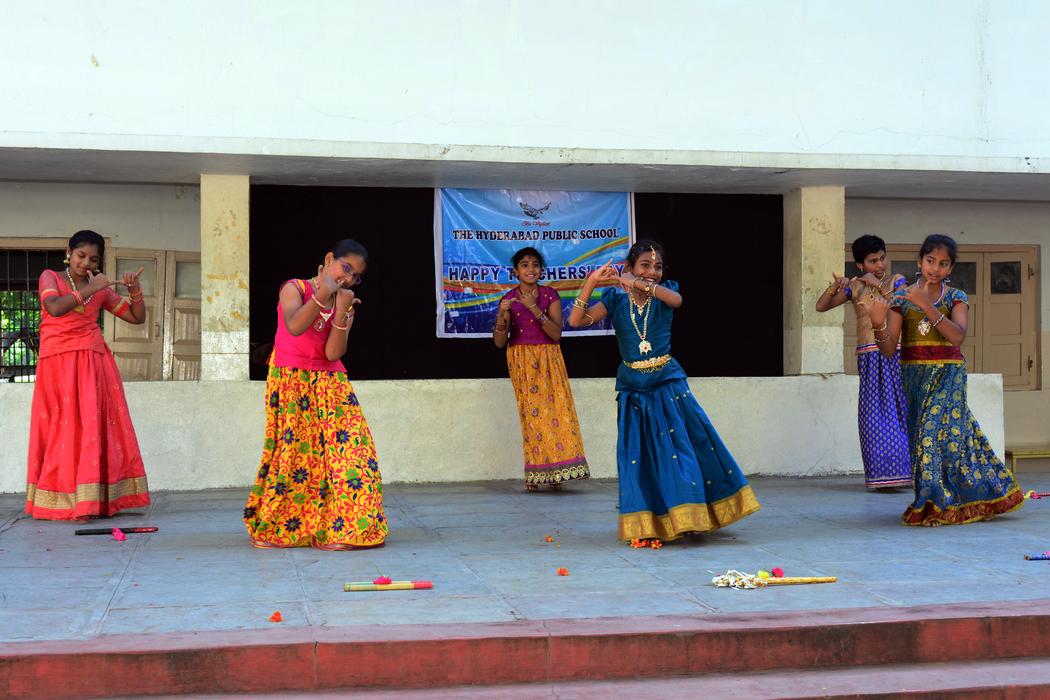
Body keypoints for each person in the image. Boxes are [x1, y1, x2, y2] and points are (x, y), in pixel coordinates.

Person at [567, 239, 760, 542]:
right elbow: (575, 320)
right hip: (633, 389)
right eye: (645, 265)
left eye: (657, 267)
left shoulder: (663, 292)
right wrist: (592, 282)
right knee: (642, 456)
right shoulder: (615, 300)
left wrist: (639, 283)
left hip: (668, 385)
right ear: (629, 267)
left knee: (681, 450)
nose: (653, 272)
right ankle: (652, 521)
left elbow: (677, 300)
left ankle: (692, 517)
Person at [866, 234, 1023, 525]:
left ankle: (936, 504)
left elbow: (957, 336)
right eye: (930, 261)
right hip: (914, 377)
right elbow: (888, 351)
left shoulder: (956, 297)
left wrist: (926, 304)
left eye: (943, 264)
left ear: (950, 268)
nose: (935, 268)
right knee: (936, 440)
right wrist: (877, 324)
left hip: (948, 375)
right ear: (919, 262)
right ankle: (967, 493)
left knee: (933, 436)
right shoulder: (901, 299)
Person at [243, 239, 386, 549]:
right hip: (292, 379)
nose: (348, 278)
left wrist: (342, 312)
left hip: (331, 382)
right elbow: (294, 326)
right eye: (345, 268)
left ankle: (352, 530)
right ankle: (284, 527)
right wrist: (323, 295)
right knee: (296, 457)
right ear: (329, 258)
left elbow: (333, 352)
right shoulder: (294, 288)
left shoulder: (345, 302)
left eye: (355, 276)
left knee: (354, 452)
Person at [26, 230, 150, 520]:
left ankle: (91, 501)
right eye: (81, 256)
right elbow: (54, 308)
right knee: (62, 427)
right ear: (68, 252)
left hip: (93, 363)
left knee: (91, 427)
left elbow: (136, 317)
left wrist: (135, 290)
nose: (85, 263)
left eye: (93, 259)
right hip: (57, 362)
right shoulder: (50, 277)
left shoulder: (100, 289)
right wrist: (92, 288)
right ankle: (62, 499)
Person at [815, 235, 911, 489]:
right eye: (872, 261)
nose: (880, 265)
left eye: (882, 258)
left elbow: (902, 305)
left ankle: (906, 473)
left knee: (901, 412)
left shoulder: (896, 281)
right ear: (860, 265)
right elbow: (821, 306)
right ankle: (882, 477)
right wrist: (836, 286)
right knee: (873, 417)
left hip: (895, 353)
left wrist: (878, 285)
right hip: (869, 356)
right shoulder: (855, 287)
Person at [493, 247, 589, 491]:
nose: (531, 269)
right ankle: (535, 474)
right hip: (522, 360)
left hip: (549, 357)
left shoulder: (549, 295)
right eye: (524, 265)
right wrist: (501, 315)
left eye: (535, 264)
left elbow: (556, 334)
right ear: (515, 271)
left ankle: (557, 473)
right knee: (531, 416)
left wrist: (534, 308)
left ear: (541, 270)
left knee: (557, 412)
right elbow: (499, 342)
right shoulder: (509, 299)